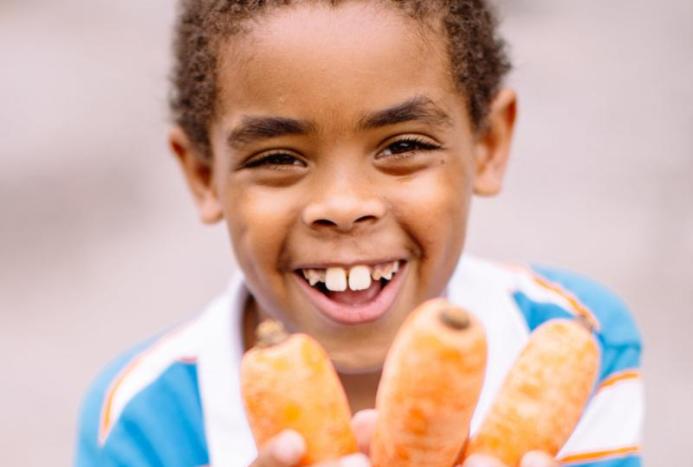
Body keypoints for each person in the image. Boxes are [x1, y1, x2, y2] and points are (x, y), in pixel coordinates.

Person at [75, 1, 644, 466]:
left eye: (403, 147)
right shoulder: (141, 422)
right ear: (203, 174)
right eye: (278, 157)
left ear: (488, 143)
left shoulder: (571, 344)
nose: (342, 207)